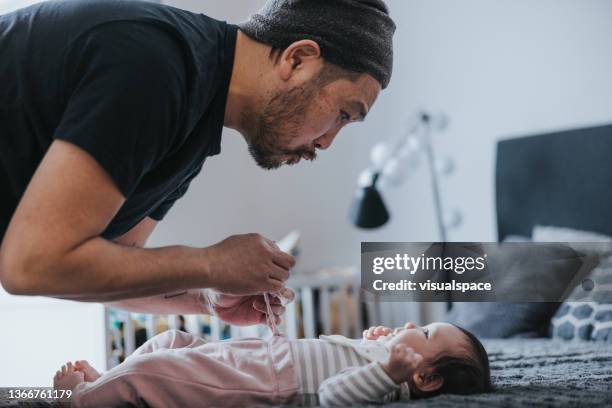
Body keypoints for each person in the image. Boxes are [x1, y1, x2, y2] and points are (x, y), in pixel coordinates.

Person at [0, 0, 395, 324]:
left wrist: (207, 298)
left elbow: (93, 268)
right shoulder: (155, 67)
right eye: (344, 113)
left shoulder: (193, 128)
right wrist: (209, 263)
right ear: (298, 60)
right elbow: (32, 265)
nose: (327, 142)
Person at [53, 322, 492, 407]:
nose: (413, 324)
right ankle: (108, 380)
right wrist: (372, 343)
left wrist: (385, 372)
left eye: (427, 333)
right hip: (263, 356)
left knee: (155, 373)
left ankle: (80, 399)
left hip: (268, 380)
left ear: (426, 378)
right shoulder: (386, 361)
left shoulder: (386, 385)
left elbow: (332, 395)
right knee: (172, 341)